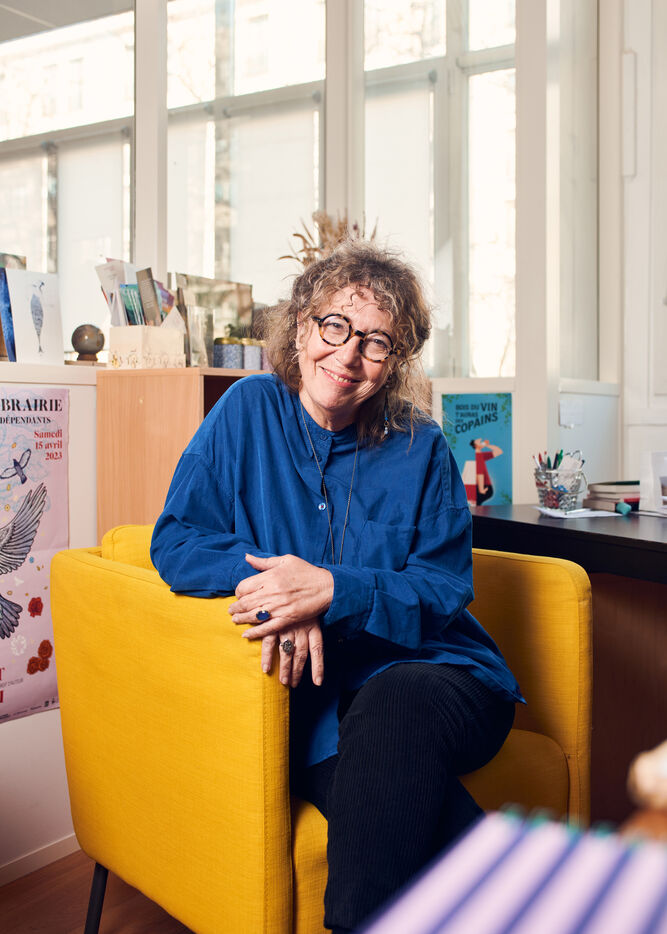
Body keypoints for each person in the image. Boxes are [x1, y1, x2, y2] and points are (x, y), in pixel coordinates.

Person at [150, 240, 523, 934]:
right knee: (402, 797)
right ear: (300, 328)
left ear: (394, 361)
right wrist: (283, 590)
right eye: (334, 326)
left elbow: (441, 588)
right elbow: (177, 541)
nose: (348, 356)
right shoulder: (247, 410)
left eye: (376, 342)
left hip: (439, 679)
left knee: (392, 699)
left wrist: (330, 589)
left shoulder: (421, 444)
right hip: (321, 709)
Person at [463, 437, 504, 506]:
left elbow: (499, 451)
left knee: (477, 507)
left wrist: (487, 445)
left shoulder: (481, 456)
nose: (482, 442)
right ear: (476, 445)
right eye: (480, 442)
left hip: (483, 487)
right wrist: (481, 489)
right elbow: (480, 473)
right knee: (477, 507)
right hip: (484, 487)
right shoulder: (479, 456)